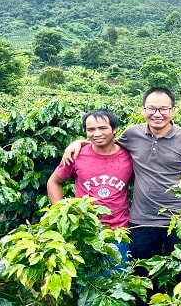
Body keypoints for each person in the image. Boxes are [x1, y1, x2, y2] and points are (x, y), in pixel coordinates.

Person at [62, 87, 181, 296]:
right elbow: (105, 142)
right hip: (142, 222)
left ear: (173, 111)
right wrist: (78, 143)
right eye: (152, 108)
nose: (157, 114)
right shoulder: (133, 134)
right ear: (143, 109)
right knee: (141, 279)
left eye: (163, 109)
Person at [48, 109, 133, 266]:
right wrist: (61, 213)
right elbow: (53, 182)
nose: (97, 133)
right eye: (91, 129)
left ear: (114, 130)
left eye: (102, 128)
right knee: (87, 283)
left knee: (118, 283)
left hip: (119, 232)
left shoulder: (129, 156)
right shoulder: (76, 155)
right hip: (84, 232)